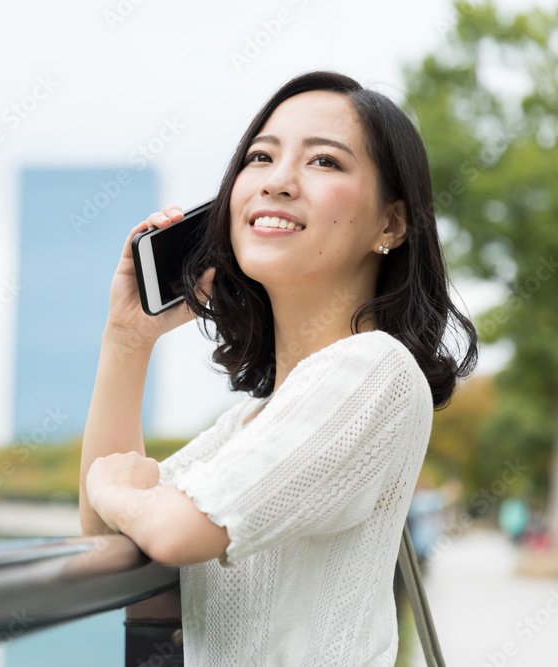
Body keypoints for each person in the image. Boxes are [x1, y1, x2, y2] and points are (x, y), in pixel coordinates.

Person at [78, 70, 478, 666]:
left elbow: (172, 529)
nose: (278, 182)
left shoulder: (373, 370)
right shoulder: (252, 421)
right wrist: (127, 340)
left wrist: (113, 488)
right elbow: (105, 534)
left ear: (390, 224)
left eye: (324, 162)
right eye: (260, 157)